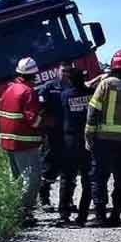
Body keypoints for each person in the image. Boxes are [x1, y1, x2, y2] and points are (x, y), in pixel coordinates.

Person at [85, 49, 121, 227]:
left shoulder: (106, 84)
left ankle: (101, 216)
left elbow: (93, 110)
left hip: (103, 139)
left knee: (99, 177)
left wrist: (89, 133)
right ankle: (116, 215)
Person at [0, 57, 44, 227]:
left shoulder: (9, 89)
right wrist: (46, 121)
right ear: (33, 75)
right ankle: (24, 214)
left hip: (9, 141)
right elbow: (33, 119)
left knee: (16, 178)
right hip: (25, 143)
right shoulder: (28, 92)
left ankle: (11, 211)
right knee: (32, 178)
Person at [59, 66, 93, 226]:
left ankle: (64, 214)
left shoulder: (65, 95)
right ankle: (83, 215)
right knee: (87, 179)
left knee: (67, 177)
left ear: (70, 80)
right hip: (87, 141)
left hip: (69, 141)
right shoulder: (91, 94)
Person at [36, 63, 70, 213]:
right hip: (52, 133)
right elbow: (40, 107)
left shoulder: (72, 87)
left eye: (69, 71)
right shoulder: (49, 87)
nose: (66, 74)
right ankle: (44, 199)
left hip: (68, 133)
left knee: (68, 168)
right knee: (49, 165)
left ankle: (66, 200)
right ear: (58, 70)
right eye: (63, 71)